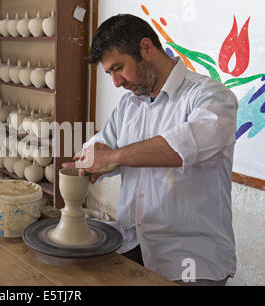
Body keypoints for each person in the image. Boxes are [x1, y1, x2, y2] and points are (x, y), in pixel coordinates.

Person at [63, 14, 238, 286]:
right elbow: (101, 146)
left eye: (118, 68)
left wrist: (114, 157)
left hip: (190, 258)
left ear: (146, 47)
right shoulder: (129, 106)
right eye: (109, 73)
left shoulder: (210, 97)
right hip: (132, 244)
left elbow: (190, 145)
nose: (116, 82)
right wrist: (90, 159)